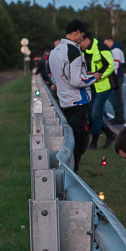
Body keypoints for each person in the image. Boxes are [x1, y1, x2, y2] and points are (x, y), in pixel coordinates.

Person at [49, 20, 96, 172]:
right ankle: (73, 171)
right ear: (76, 32)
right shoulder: (73, 50)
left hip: (65, 102)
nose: (83, 38)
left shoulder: (55, 51)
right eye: (82, 35)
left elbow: (55, 79)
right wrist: (94, 77)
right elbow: (77, 80)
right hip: (78, 102)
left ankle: (70, 170)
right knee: (80, 141)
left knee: (70, 140)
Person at [82, 32, 116, 150]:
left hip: (103, 86)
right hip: (91, 86)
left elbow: (110, 66)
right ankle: (110, 134)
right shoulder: (84, 50)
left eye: (81, 42)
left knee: (95, 113)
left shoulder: (101, 47)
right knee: (92, 114)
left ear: (86, 39)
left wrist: (98, 75)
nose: (80, 45)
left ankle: (94, 143)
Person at [104, 37, 126, 125]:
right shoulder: (117, 50)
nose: (105, 45)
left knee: (118, 98)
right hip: (118, 77)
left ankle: (120, 118)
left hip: (117, 77)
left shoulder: (115, 51)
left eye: (106, 43)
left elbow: (116, 64)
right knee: (116, 98)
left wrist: (114, 78)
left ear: (110, 41)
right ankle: (118, 117)